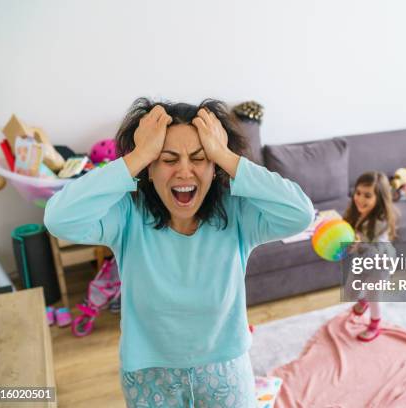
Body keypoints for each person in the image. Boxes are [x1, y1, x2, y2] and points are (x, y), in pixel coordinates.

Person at [44, 98, 314, 407]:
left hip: (224, 368)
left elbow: (301, 214)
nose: (184, 171)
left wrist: (226, 155)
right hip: (149, 373)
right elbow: (58, 218)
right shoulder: (128, 215)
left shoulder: (237, 213)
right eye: (168, 159)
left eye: (199, 158)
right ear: (150, 169)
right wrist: (138, 155)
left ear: (214, 167)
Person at [343, 171, 398, 342]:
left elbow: (375, 249)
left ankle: (375, 324)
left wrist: (357, 246)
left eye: (367, 195)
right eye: (358, 193)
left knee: (374, 294)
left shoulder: (380, 222)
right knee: (352, 288)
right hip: (364, 259)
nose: (360, 199)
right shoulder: (358, 213)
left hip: (380, 262)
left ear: (379, 199)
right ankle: (363, 300)